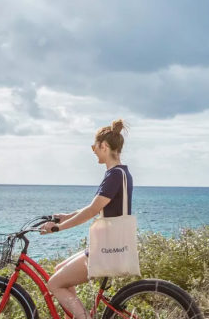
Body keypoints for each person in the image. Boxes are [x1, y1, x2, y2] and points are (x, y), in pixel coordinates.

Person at [38, 119, 133, 319]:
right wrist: (65, 216)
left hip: (106, 250)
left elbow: (91, 211)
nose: (93, 151)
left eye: (94, 147)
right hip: (113, 244)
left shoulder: (113, 175)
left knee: (54, 284)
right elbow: (96, 206)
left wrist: (58, 228)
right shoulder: (122, 173)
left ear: (104, 146)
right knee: (58, 270)